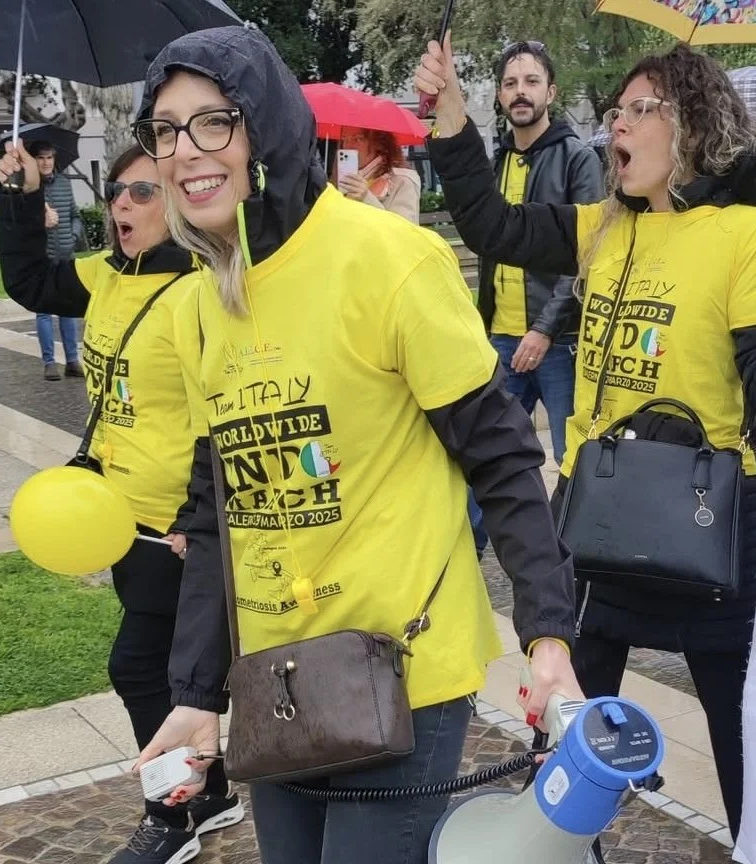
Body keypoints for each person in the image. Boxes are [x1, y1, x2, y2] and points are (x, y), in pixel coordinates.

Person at [128, 26, 582, 864]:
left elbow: (505, 458)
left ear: (265, 128)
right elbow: (216, 509)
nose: (186, 150)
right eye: (165, 129)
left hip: (402, 669)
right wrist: (196, 696)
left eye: (213, 121)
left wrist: (547, 638)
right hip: (278, 678)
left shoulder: (391, 261)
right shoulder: (197, 307)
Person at [416, 36, 756, 847]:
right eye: (613, 111)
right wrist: (451, 121)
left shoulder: (750, 235)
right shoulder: (603, 227)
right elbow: (495, 225)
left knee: (741, 746)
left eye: (637, 109)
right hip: (593, 520)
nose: (615, 124)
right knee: (568, 737)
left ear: (689, 123)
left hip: (709, 525)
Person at [0, 142, 242, 864]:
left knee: (139, 667)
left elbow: (217, 422)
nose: (121, 207)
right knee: (165, 668)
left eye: (141, 193)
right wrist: (18, 197)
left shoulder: (199, 291)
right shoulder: (106, 274)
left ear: (177, 200)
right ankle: (213, 788)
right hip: (121, 517)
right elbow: (30, 280)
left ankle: (172, 818)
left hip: (177, 527)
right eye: (117, 193)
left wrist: (198, 520)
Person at [467, 39, 605, 559]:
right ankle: (465, 563)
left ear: (551, 90)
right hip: (498, 338)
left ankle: (578, 567)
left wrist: (546, 328)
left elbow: (589, 257)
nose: (520, 92)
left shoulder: (578, 158)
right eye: (509, 83)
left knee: (574, 460)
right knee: (488, 458)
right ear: (500, 95)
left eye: (530, 81)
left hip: (561, 343)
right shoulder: (497, 161)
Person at [32, 141, 85, 381]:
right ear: (35, 160)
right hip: (43, 257)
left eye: (49, 157)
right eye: (41, 158)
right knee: (43, 312)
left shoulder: (64, 183)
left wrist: (73, 235)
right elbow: (22, 224)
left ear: (54, 159)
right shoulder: (30, 187)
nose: (45, 162)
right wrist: (40, 223)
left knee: (68, 310)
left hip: (66, 256)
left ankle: (72, 361)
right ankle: (49, 362)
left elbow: (75, 215)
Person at [335, 127, 423, 222]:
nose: (348, 146)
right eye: (344, 139)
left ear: (379, 144)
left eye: (358, 139)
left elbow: (403, 230)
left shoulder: (402, 180)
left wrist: (366, 198)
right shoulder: (343, 179)